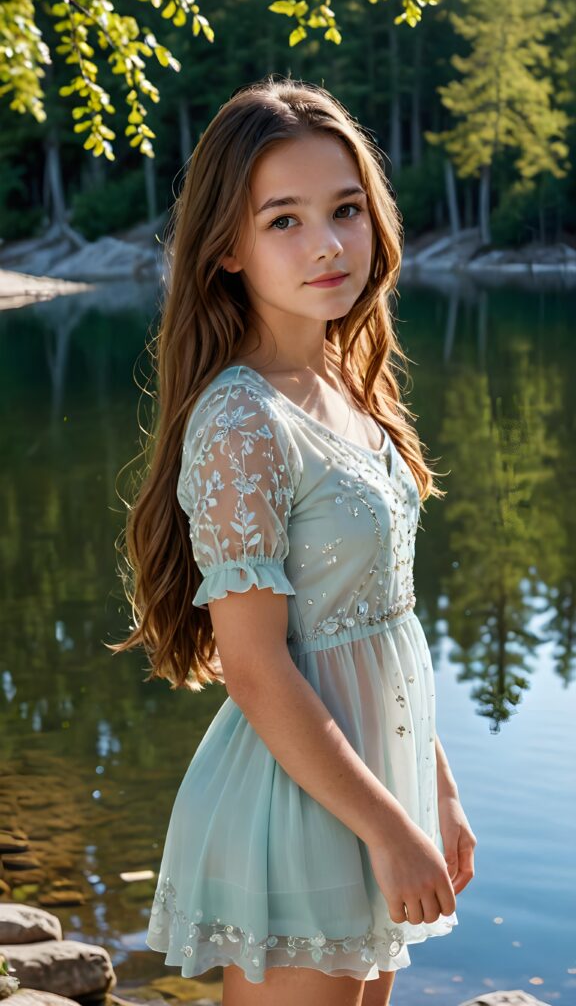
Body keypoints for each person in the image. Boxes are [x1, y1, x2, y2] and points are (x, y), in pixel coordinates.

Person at [110, 76, 477, 1006]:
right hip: (299, 799)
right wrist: (388, 829)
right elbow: (256, 666)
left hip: (373, 784)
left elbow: (381, 612)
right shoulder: (242, 419)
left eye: (345, 209)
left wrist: (434, 788)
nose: (327, 243)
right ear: (227, 248)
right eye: (284, 220)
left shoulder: (351, 390)